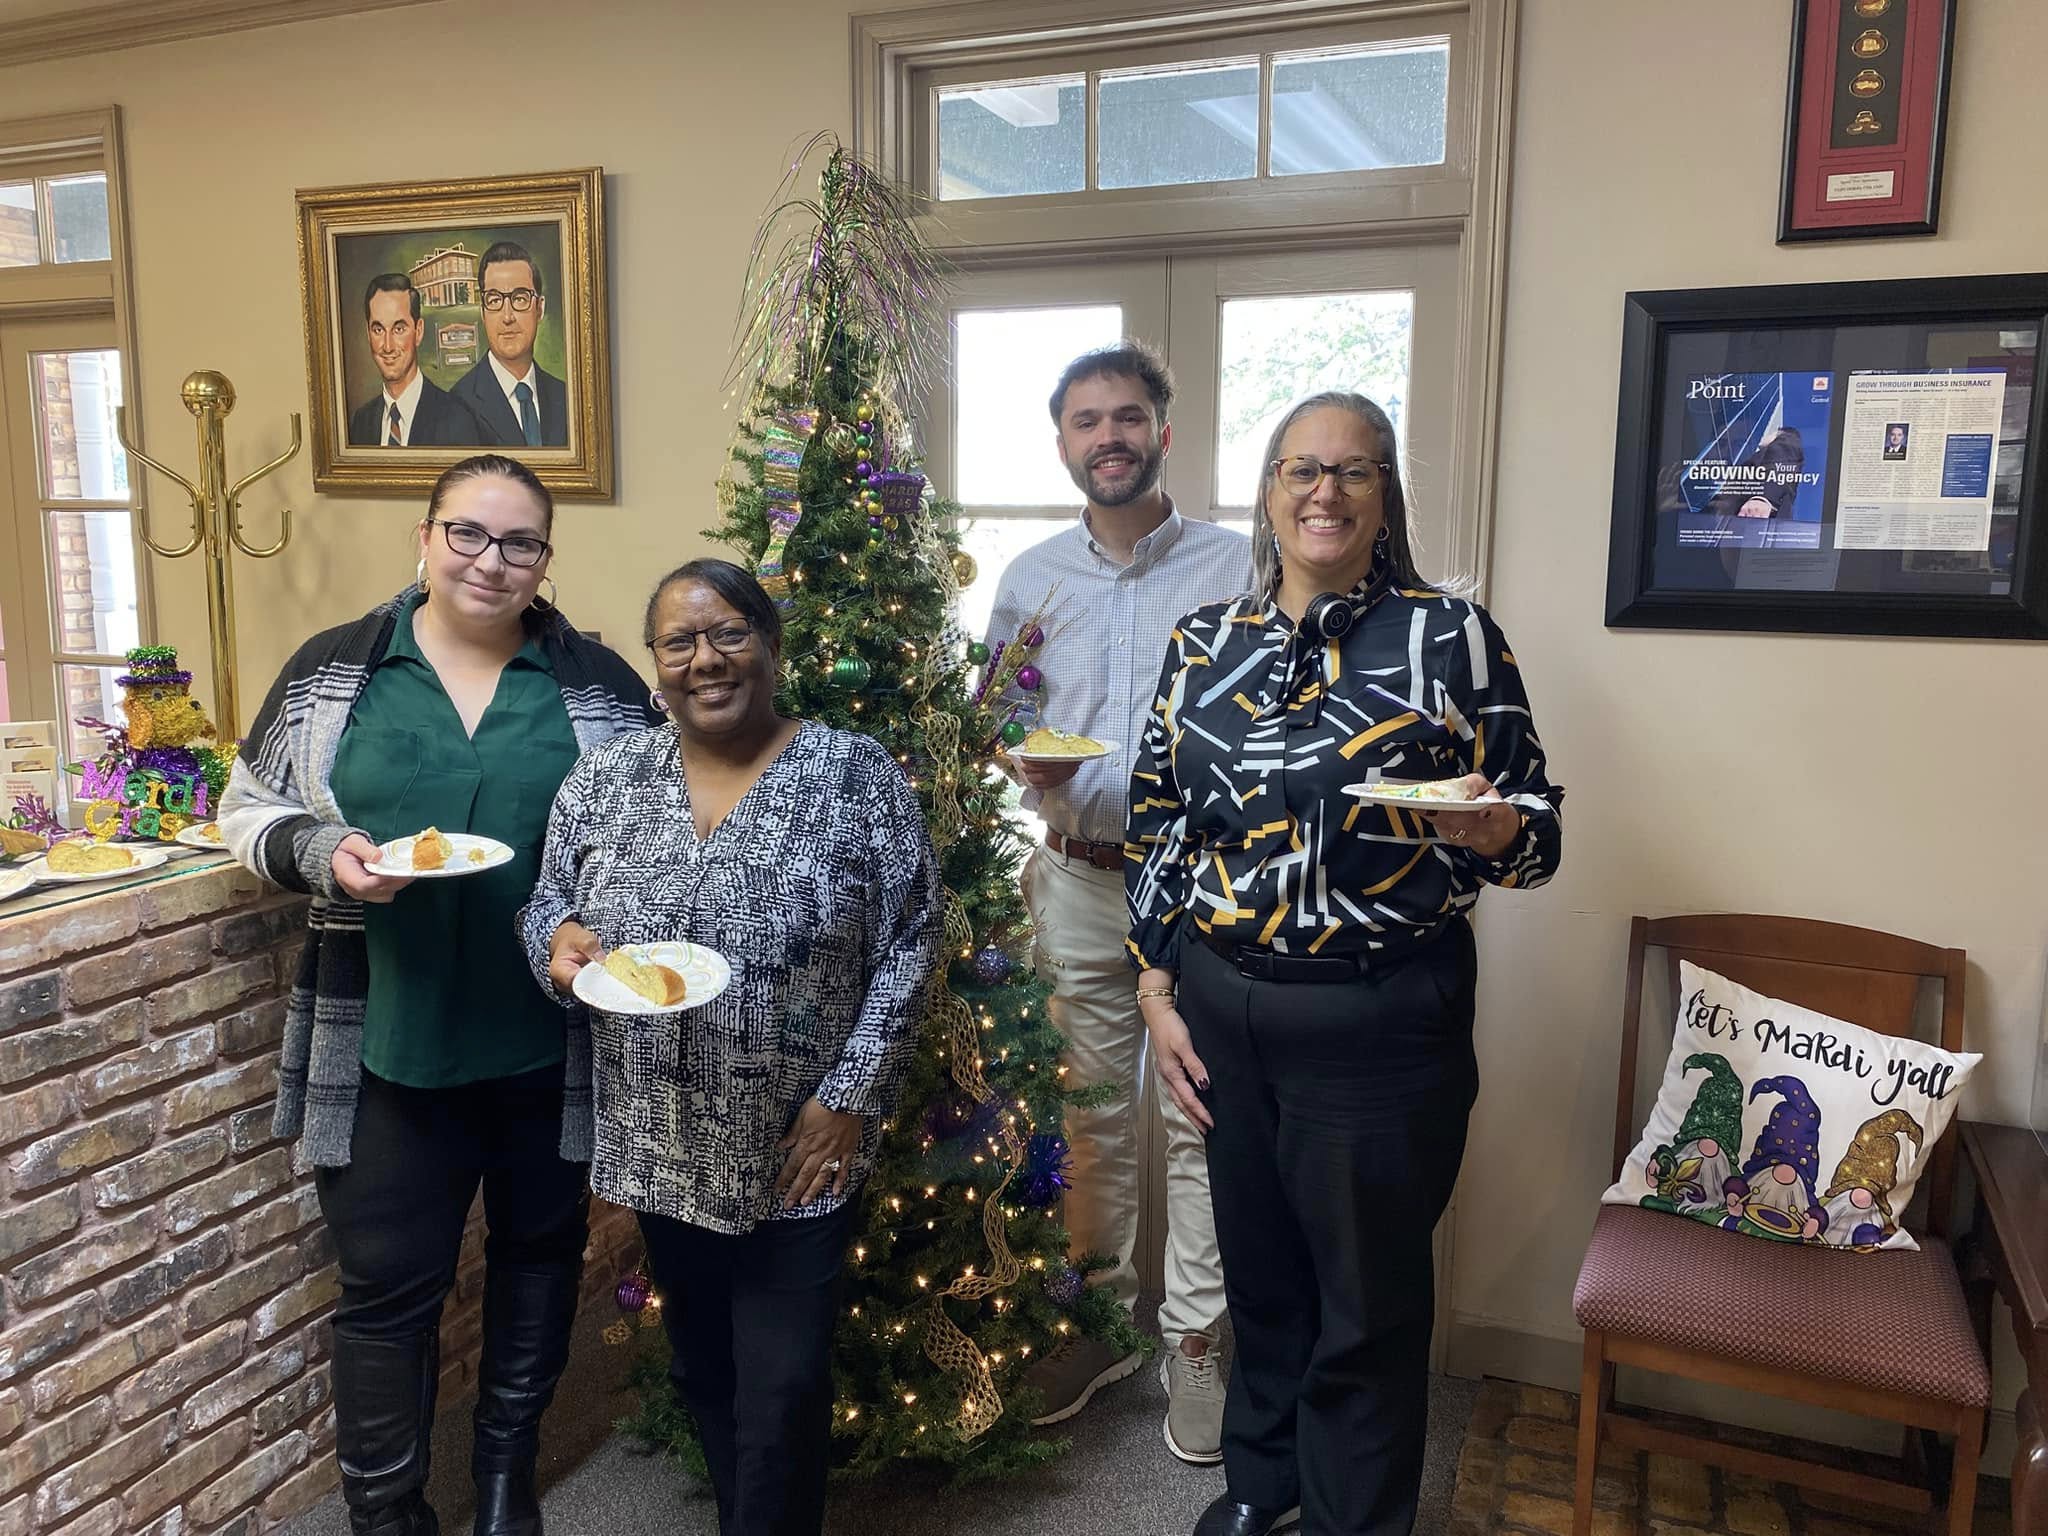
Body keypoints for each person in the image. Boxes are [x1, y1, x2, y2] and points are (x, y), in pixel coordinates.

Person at [1125, 392, 1564, 1536]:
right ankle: (1261, 1489)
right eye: (1299, 469)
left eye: (1353, 472)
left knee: (1363, 1305)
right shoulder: (1202, 643)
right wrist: (1155, 986)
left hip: (1377, 1021)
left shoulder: (1449, 636)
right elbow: (1162, 823)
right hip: (1221, 1011)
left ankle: (1348, 1519)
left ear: (1383, 498)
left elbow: (1539, 831)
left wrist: (1493, 831)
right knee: (1262, 1284)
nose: (1324, 491)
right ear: (1268, 493)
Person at [218, 454, 658, 1536]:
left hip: (547, 1037)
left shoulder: (595, 685)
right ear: (423, 537)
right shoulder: (335, 673)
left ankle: (504, 1478)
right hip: (382, 1038)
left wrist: (602, 917)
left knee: (538, 1256)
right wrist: (326, 853)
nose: (489, 560)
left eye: (518, 542)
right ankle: (387, 1510)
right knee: (385, 1290)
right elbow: (247, 804)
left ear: (544, 560)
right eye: (466, 533)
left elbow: (651, 836)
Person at [522, 559, 941, 1536]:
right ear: (655, 664)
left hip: (799, 1145)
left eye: (727, 633)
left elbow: (915, 934)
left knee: (786, 1386)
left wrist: (849, 1095)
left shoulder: (850, 772)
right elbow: (548, 902)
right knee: (705, 1365)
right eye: (678, 641)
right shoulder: (610, 776)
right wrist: (556, 946)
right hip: (663, 1133)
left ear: (769, 644)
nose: (704, 659)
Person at [984, 341, 1248, 1462]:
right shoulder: (1027, 577)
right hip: (1078, 877)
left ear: (1163, 432)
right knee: (1086, 1120)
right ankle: (1099, 1326)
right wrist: (1018, 762)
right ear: (1061, 441)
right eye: (1086, 420)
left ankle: (1196, 1340)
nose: (1108, 437)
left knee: (1200, 1120)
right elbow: (1000, 715)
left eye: (1126, 416)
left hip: (1205, 885)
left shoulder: (1240, 568)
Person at [449, 242, 569, 448]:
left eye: (520, 298)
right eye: (494, 300)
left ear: (539, 309)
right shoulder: (457, 406)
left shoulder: (565, 396)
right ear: (482, 312)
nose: (507, 317)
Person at [347, 274, 487, 447]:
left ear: (418, 331)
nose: (388, 346)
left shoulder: (456, 419)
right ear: (368, 334)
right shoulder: (362, 421)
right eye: (378, 330)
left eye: (399, 329)